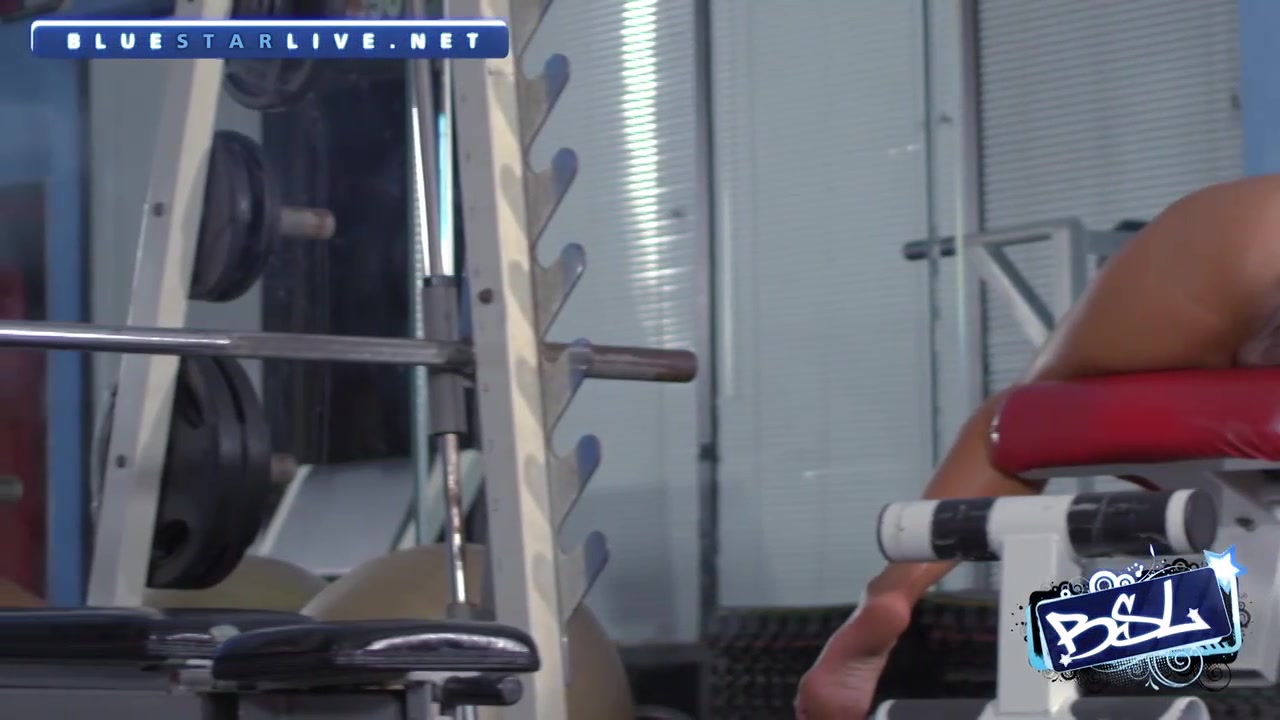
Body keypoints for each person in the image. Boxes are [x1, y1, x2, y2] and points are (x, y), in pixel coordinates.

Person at [794, 175, 1280, 719]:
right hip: (1248, 264)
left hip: (1244, 249)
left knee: (1023, 416)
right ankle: (1115, 627)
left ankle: (895, 592)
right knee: (1037, 418)